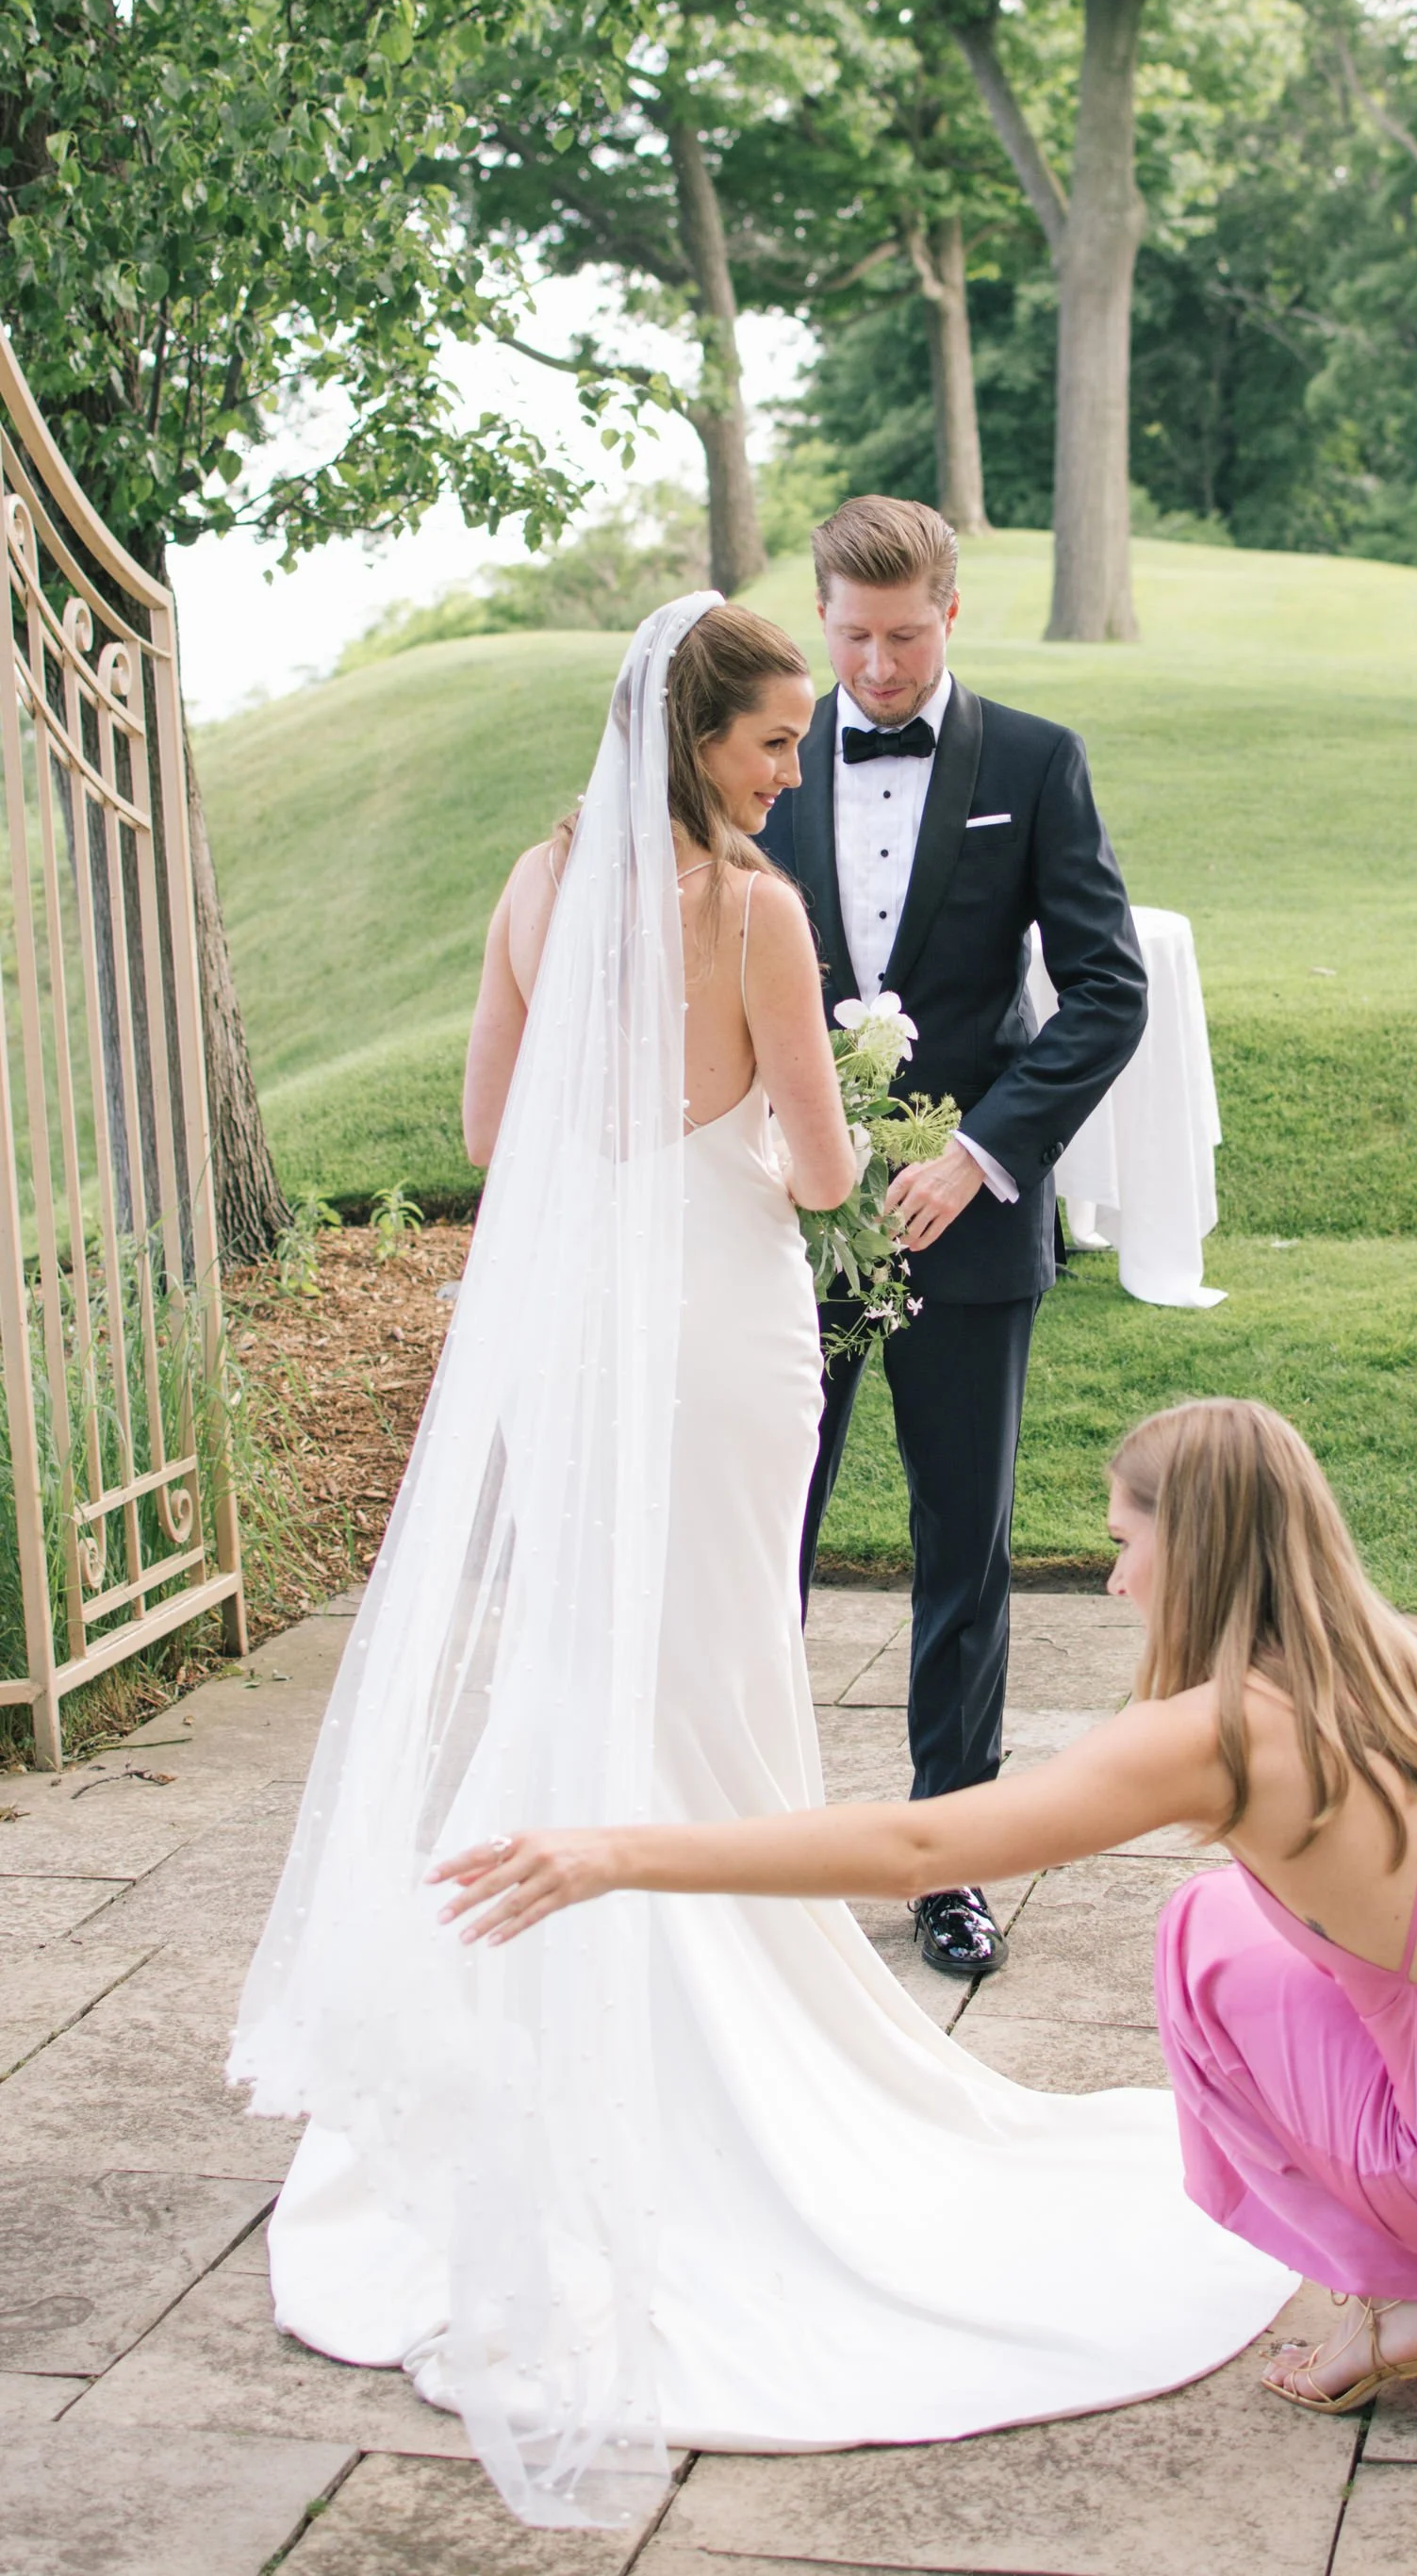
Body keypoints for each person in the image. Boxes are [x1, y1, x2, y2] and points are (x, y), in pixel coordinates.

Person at [230, 596, 1288, 2540]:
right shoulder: (750, 914)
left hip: (575, 1343)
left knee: (591, 1659)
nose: (791, 774)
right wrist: (850, 1101)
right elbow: (812, 1171)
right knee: (717, 1668)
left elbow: (490, 1130)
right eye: (770, 745)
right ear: (696, 734)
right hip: (717, 1336)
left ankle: (540, 2024)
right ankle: (715, 2055)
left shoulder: (535, 884)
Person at [436, 1395, 1417, 2438]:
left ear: (1199, 1546)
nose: (1117, 1581)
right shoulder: (1416, 1655)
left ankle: (1408, 2298)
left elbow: (920, 1846)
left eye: (1126, 1540)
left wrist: (615, 1850)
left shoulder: (1220, 1736)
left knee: (1202, 1943)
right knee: (1288, 1921)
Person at [764, 496, 1147, 1980]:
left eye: (905, 636)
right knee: (761, 1540)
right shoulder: (761, 761)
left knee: (960, 1548)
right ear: (819, 617)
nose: (876, 668)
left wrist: (984, 1156)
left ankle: (953, 1858)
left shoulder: (1037, 762)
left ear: (953, 612)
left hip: (967, 1232)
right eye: (851, 637)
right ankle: (755, 1837)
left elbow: (1106, 989)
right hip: (787, 1234)